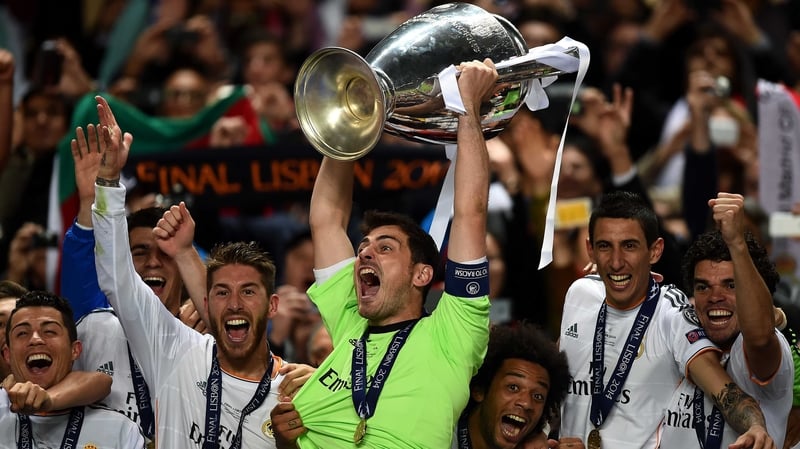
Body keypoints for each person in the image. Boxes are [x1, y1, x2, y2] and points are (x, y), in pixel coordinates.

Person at [270, 58, 498, 448]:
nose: (365, 256)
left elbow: (470, 213)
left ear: (422, 274)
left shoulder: (453, 333)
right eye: (363, 249)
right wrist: (349, 119)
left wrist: (466, 108)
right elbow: (327, 220)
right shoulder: (351, 320)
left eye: (385, 248)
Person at [87, 95, 311, 448]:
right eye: (222, 292)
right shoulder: (176, 350)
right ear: (207, 301)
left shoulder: (295, 390)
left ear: (272, 306)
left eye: (248, 291)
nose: (234, 304)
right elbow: (117, 276)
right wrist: (109, 181)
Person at [556, 190, 774, 449]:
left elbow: (727, 393)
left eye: (629, 246)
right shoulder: (579, 293)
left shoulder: (673, 315)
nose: (616, 262)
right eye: (605, 246)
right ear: (590, 250)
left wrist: (755, 426)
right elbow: (558, 375)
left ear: (655, 251)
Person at [660, 192, 793, 448]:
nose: (715, 297)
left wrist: (737, 243)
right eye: (703, 287)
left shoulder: (760, 349)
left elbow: (760, 336)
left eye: (730, 285)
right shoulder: (680, 342)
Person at [0, 290, 145, 447]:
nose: (36, 339)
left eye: (49, 331)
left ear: (75, 350)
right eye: (22, 333)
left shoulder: (120, 430)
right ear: (7, 354)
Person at [454, 322, 570, 449]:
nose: (526, 403)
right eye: (513, 387)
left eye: (538, 396)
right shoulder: (439, 433)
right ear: (480, 390)